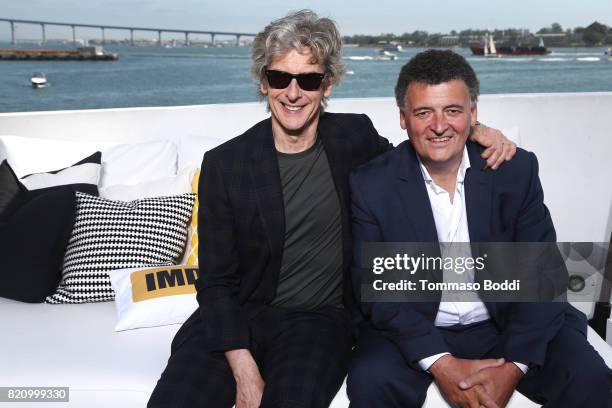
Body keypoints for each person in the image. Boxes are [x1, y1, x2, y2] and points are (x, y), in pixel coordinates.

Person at [148, 12, 516, 408]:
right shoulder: (226, 164)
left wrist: (473, 131)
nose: (293, 92)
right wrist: (244, 368)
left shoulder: (353, 137)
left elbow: (416, 160)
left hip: (318, 321)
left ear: (327, 84)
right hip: (235, 319)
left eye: (308, 79)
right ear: (263, 81)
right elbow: (216, 281)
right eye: (279, 78)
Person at [347, 49, 612, 408]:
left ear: (473, 114)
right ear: (403, 119)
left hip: (506, 319)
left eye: (453, 111)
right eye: (424, 112)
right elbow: (381, 291)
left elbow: (543, 276)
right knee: (370, 382)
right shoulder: (372, 184)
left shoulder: (514, 171)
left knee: (589, 377)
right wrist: (441, 363)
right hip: (418, 325)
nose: (439, 126)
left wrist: (514, 368)